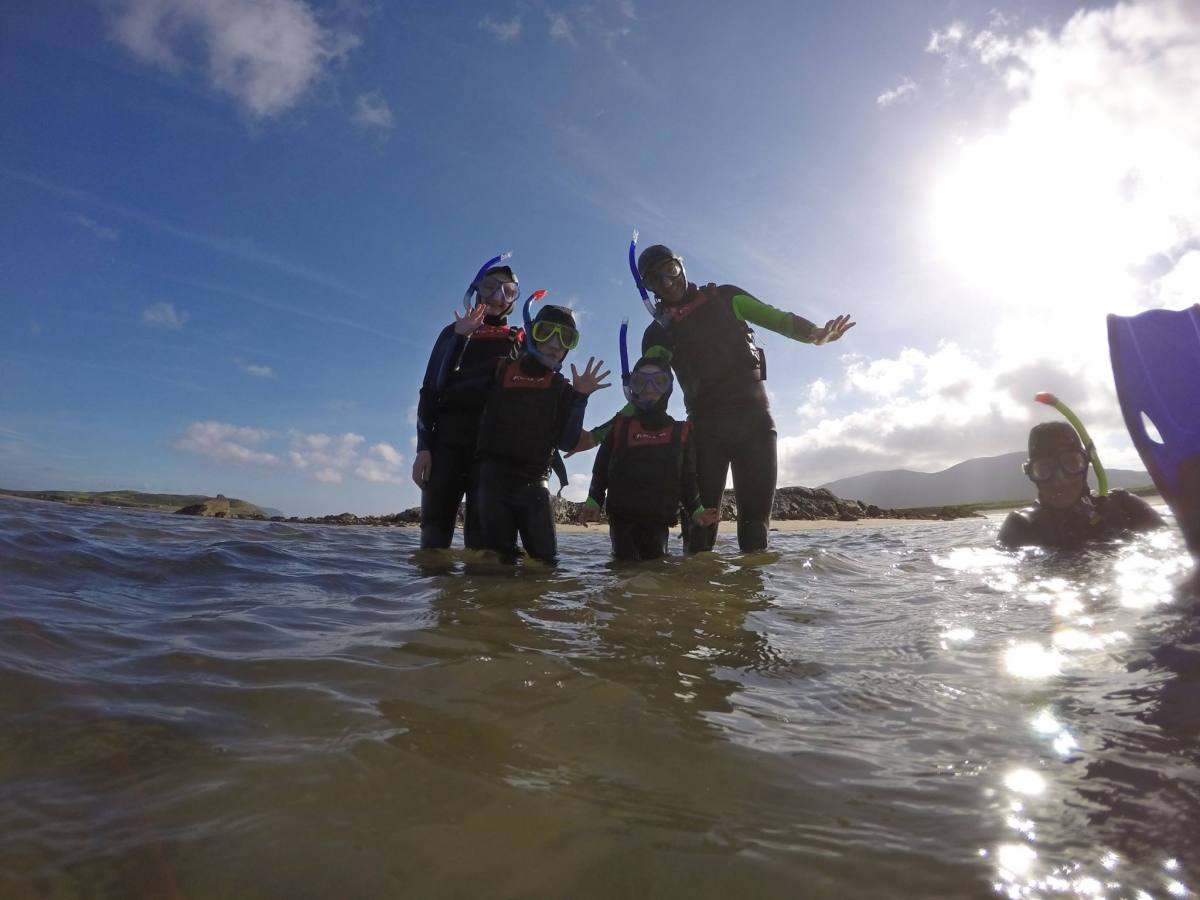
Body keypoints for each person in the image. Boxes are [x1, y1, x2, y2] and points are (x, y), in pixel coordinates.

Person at [631, 241, 854, 553]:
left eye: (671, 270)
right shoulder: (658, 334)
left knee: (754, 534)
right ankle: (692, 601)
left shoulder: (725, 298)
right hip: (704, 435)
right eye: (656, 280)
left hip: (755, 428)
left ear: (680, 264)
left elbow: (778, 319)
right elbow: (649, 393)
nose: (668, 283)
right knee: (698, 535)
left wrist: (816, 334)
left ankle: (749, 601)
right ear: (650, 289)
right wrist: (612, 432)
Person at [475, 295, 610, 562]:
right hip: (492, 482)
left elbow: (567, 442)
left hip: (535, 485)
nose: (555, 344)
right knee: (496, 567)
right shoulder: (499, 370)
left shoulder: (562, 389)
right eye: (546, 332)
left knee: (546, 565)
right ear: (532, 334)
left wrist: (580, 398)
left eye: (566, 338)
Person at [412, 256, 524, 549]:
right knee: (433, 539)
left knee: (482, 539)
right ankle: (433, 593)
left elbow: (530, 400)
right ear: (476, 290)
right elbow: (430, 389)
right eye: (490, 288)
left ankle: (479, 594)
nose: (499, 298)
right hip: (447, 443)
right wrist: (423, 447)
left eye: (509, 291)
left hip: (492, 449)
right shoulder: (453, 332)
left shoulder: (520, 339)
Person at [580, 355, 719, 560]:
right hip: (622, 521)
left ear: (669, 387)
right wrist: (593, 501)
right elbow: (600, 469)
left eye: (659, 381)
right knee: (623, 571)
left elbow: (688, 478)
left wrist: (696, 511)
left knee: (656, 570)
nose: (649, 387)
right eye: (640, 381)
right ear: (632, 386)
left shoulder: (680, 432)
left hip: (658, 521)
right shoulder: (620, 426)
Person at [998, 421, 1165, 549]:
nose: (1060, 480)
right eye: (1045, 469)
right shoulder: (1021, 524)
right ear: (1031, 474)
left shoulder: (1124, 504)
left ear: (1086, 464)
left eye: (1071, 463)